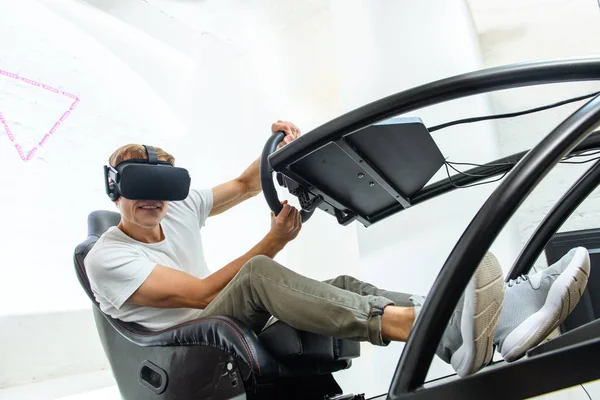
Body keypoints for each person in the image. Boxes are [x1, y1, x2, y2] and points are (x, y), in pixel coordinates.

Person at [85, 120, 591, 378]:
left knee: (345, 287)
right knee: (261, 271)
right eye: (138, 186)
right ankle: (430, 325)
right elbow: (197, 295)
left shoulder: (176, 208)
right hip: (186, 347)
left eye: (164, 185)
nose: (154, 199)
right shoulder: (106, 257)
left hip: (223, 322)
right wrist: (275, 240)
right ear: (116, 189)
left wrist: (279, 144)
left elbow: (243, 184)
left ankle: (489, 328)